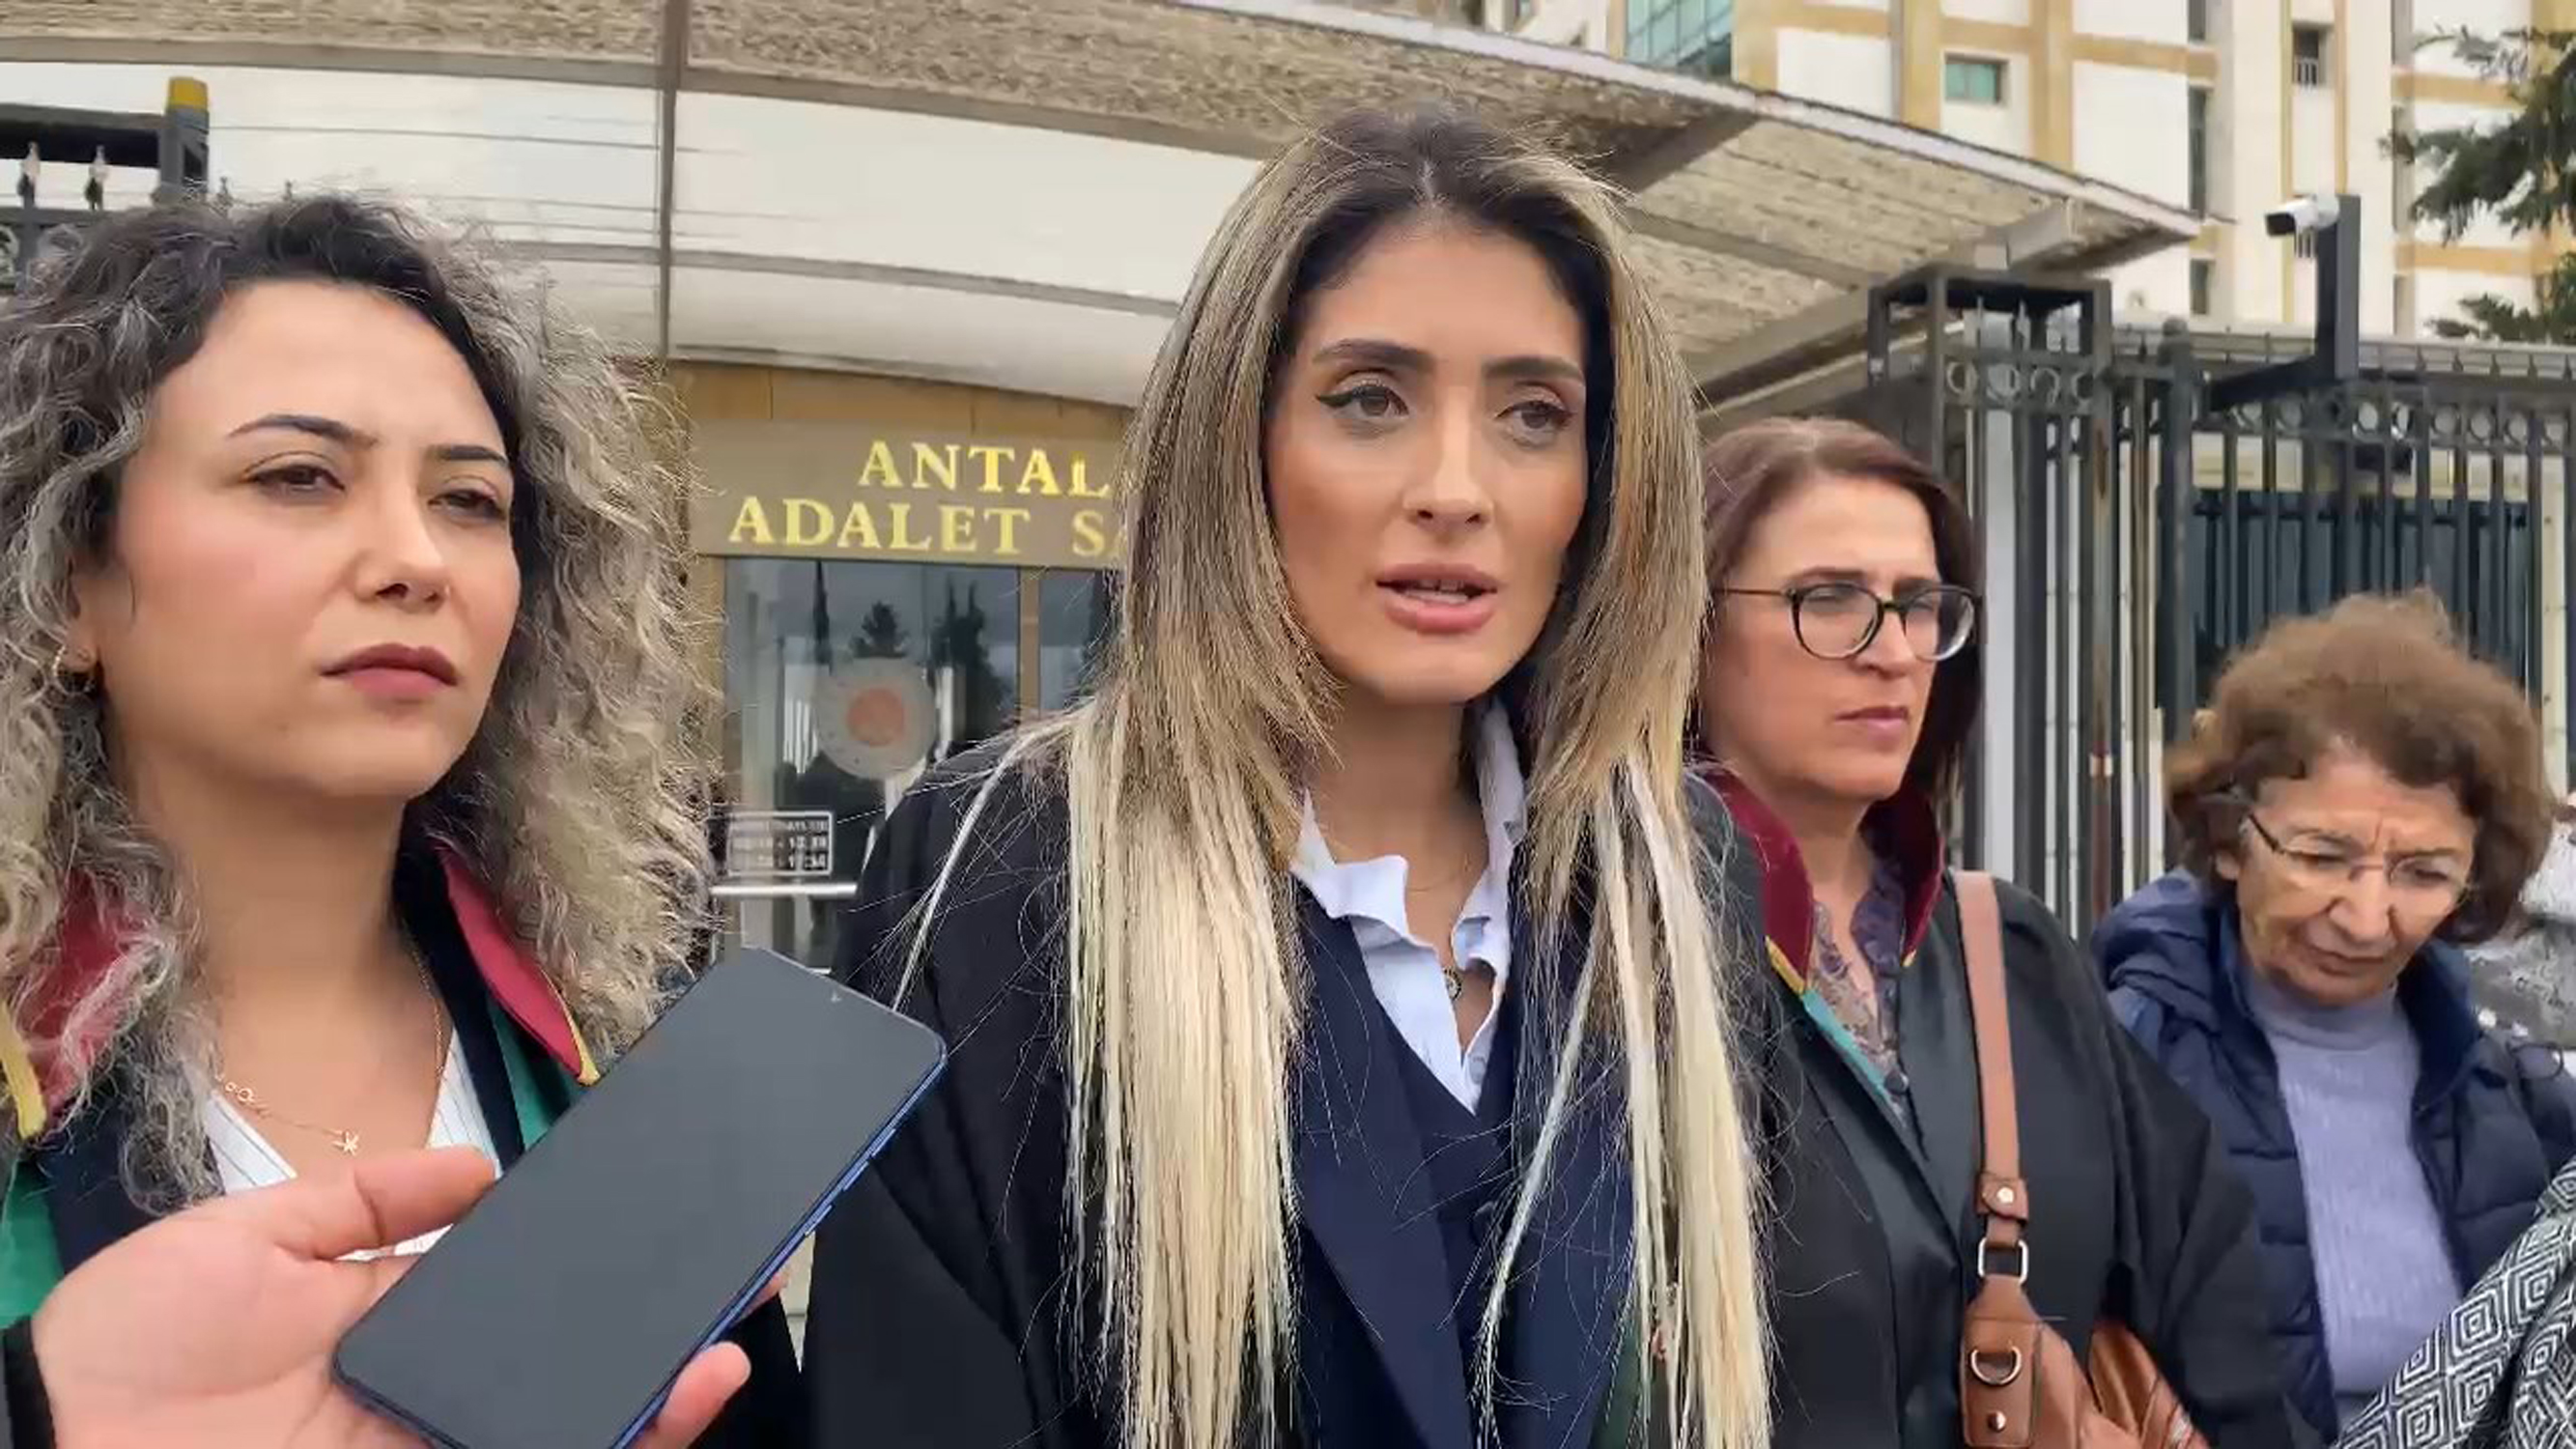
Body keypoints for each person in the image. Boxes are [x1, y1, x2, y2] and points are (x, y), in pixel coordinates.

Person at [802, 106, 1772, 1449]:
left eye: (1533, 414)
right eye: (1368, 399)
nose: (1456, 487)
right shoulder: (1007, 871)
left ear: (1601, 481)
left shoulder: (1673, 876)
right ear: (1238, 438)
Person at [0, 194, 796, 1441]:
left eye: (470, 501)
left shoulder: (618, 1061)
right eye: (298, 477)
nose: (416, 559)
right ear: (67, 586)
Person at [1692, 416, 2307, 1448]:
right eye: (1828, 599)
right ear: (1689, 625)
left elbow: (2212, 1307)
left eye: (1918, 605)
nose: (1893, 653)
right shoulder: (1611, 955)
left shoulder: (2008, 949)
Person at [2097, 592, 2576, 1439]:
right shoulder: (2108, 1070)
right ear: (2227, 840)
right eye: (2321, 857)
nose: (2364, 918)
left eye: (2423, 873)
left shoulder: (2524, 1101)